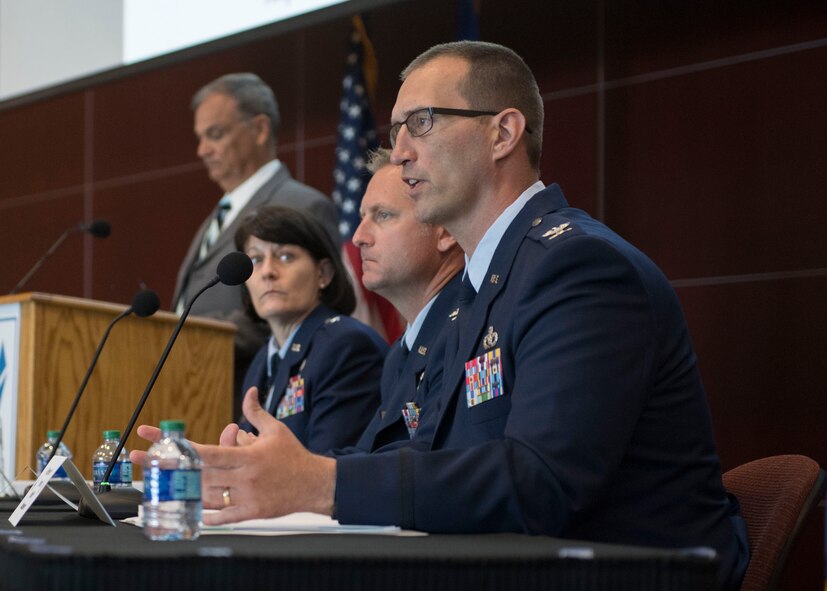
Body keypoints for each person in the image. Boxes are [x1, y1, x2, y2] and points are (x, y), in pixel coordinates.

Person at [138, 42, 748, 590]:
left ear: (503, 132)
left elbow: (543, 483)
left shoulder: (578, 266)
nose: (400, 152)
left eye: (421, 123)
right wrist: (261, 472)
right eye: (398, 128)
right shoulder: (474, 293)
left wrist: (319, 484)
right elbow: (423, 451)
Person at [171, 73, 339, 411]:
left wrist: (178, 337)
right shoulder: (216, 216)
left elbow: (284, 312)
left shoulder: (301, 204)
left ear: (260, 129)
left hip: (251, 400)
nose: (202, 150)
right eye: (200, 138)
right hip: (193, 396)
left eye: (215, 135)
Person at [336, 148, 463, 453]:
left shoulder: (464, 333)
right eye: (362, 217)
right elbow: (371, 456)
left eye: (383, 215)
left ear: (444, 230)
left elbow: (424, 466)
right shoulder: (400, 355)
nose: (358, 237)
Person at [234, 205, 386, 453]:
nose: (267, 272)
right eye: (255, 259)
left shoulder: (346, 347)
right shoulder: (263, 359)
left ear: (323, 273)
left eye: (285, 256)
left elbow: (328, 468)